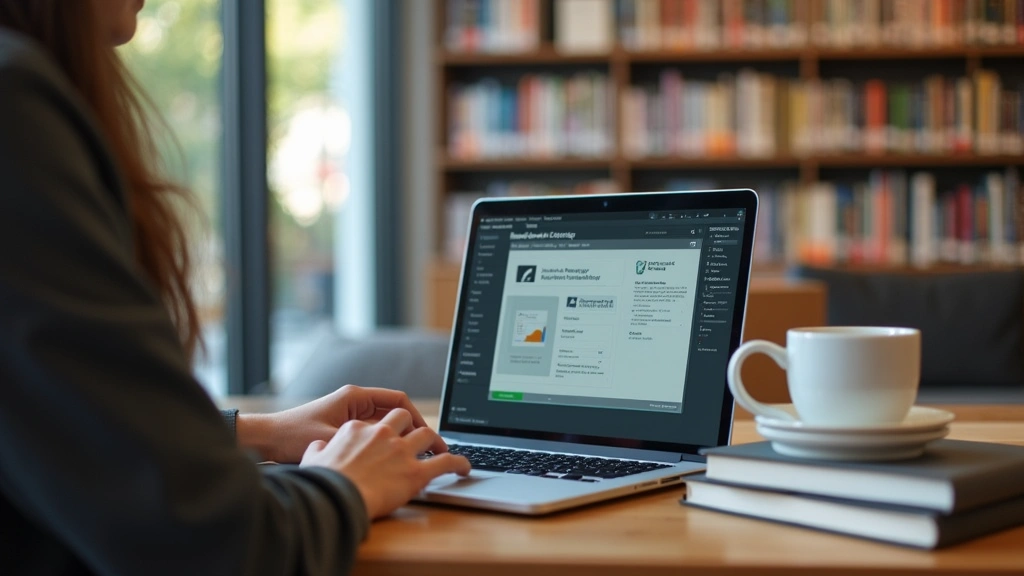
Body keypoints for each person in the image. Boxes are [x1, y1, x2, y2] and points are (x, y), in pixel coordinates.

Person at [0, 1, 470, 574]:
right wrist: (342, 485)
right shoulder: (14, 102)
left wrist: (255, 433)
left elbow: (55, 426)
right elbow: (209, 546)